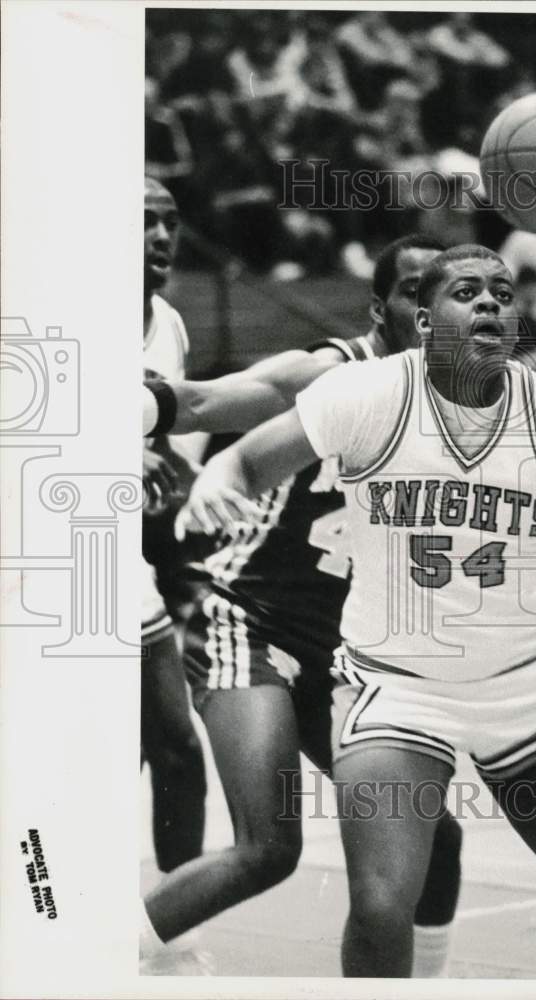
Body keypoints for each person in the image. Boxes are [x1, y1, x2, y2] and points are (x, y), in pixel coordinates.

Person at [178, 245, 536, 980]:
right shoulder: (370, 393)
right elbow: (248, 459)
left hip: (522, 688)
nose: (490, 304)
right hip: (396, 688)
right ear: (423, 317)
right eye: (467, 291)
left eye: (503, 293)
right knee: (379, 906)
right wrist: (221, 478)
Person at [141, 235, 464, 978]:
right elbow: (201, 401)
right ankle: (91, 952)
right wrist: (140, 403)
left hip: (341, 647)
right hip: (248, 622)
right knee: (269, 848)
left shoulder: (454, 404)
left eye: (441, 291)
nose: (429, 306)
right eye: (414, 290)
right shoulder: (328, 372)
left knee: (435, 837)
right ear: (380, 307)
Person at [141, 177, 207, 875]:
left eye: (171, 222)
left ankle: (172, 943)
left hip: (127, 564)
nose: (162, 236)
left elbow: (171, 452)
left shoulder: (170, 326)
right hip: (47, 561)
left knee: (175, 749)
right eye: (144, 222)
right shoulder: (45, 317)